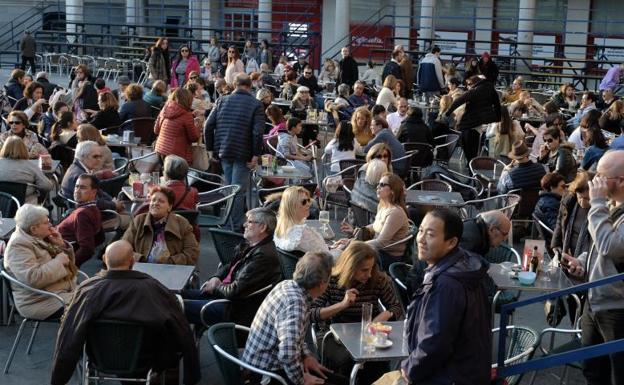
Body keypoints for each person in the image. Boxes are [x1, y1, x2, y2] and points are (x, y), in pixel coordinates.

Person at [50, 240, 200, 385]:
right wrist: (191, 374)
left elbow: (69, 334)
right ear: (132, 261)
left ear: (104, 259)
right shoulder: (154, 288)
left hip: (99, 358)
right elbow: (181, 329)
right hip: (145, 360)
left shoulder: (87, 290)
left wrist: (58, 379)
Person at [551, 151, 624, 384]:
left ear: (621, 180)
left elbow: (610, 246)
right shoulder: (612, 205)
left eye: (601, 176)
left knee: (619, 373)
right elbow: (596, 245)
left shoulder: (605, 205)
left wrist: (598, 202)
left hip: (617, 308)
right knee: (592, 370)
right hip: (594, 301)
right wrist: (582, 262)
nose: (595, 182)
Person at [400, 208, 491, 385]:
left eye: (431, 235)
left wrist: (410, 370)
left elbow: (435, 342)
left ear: (451, 243)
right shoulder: (463, 266)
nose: (421, 239)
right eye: (420, 231)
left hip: (449, 377)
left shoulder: (446, 284)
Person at [243, 251, 347, 385]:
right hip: (266, 374)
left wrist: (306, 356)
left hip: (266, 363)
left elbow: (293, 338)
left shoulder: (288, 285)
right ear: (322, 283)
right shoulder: (296, 303)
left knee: (341, 381)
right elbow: (287, 354)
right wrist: (302, 380)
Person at [311, 241, 402, 380]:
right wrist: (342, 305)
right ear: (350, 268)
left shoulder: (378, 279)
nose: (369, 274)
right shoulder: (332, 280)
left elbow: (396, 307)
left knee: (377, 363)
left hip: (370, 332)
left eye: (371, 268)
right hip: (339, 333)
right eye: (364, 270)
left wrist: (384, 315)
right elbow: (312, 313)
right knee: (347, 363)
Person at [182, 208, 281, 326]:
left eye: (249, 222)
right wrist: (216, 277)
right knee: (174, 296)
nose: (244, 225)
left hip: (232, 309)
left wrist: (215, 287)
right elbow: (230, 265)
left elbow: (234, 291)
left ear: (262, 227)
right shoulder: (252, 245)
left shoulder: (263, 256)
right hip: (223, 297)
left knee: (173, 306)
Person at [205, 73, 264, 232]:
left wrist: (210, 149)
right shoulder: (256, 104)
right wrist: (255, 155)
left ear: (234, 84)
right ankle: (234, 224)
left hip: (224, 150)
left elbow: (208, 126)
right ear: (250, 85)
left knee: (230, 187)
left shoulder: (222, 100)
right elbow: (257, 133)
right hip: (243, 151)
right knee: (237, 190)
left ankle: (228, 222)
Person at [3, 204, 77, 320]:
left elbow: (69, 264)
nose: (50, 225)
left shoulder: (38, 237)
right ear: (34, 229)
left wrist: (61, 245)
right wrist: (58, 261)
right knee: (94, 307)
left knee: (101, 299)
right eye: (46, 222)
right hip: (40, 301)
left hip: (59, 292)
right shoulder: (18, 246)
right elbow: (33, 278)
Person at [338, 173, 411, 269]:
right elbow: (375, 226)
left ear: (392, 191)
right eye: (378, 184)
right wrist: (355, 231)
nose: (378, 187)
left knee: (348, 256)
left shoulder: (395, 213)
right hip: (377, 249)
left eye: (382, 185)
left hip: (388, 256)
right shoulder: (383, 206)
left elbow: (381, 242)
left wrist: (354, 245)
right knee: (341, 248)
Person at [122, 186, 199, 265]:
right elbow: (123, 248)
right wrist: (141, 260)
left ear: (169, 207)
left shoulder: (182, 223)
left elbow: (192, 253)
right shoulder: (139, 221)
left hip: (172, 271)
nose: (155, 203)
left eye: (161, 201)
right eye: (153, 200)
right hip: (141, 269)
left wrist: (169, 262)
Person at [446, 75, 501, 163]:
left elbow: (458, 101)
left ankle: (471, 167)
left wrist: (447, 112)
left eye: (469, 84)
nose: (468, 86)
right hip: (481, 121)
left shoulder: (475, 90)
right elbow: (497, 104)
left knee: (469, 149)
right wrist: (498, 117)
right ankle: (471, 165)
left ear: (474, 83)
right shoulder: (491, 89)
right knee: (473, 149)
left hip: (470, 122)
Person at [56, 174, 104, 266]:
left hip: (57, 253)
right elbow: (100, 238)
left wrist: (70, 266)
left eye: (83, 188)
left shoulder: (82, 214)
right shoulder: (93, 208)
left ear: (94, 192)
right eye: (76, 187)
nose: (77, 191)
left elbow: (87, 249)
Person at [61, 141, 121, 212]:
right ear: (82, 157)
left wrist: (112, 200)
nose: (99, 160)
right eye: (95, 156)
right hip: (84, 215)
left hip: (86, 210)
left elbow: (98, 191)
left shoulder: (77, 168)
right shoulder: (79, 176)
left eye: (100, 156)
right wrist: (113, 205)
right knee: (129, 217)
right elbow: (93, 203)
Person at [274, 186, 329, 254]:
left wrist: (331, 247)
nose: (308, 204)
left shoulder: (281, 226)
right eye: (304, 202)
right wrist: (339, 249)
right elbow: (327, 255)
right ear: (292, 206)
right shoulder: (302, 233)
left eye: (308, 200)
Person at [154, 88, 200, 163]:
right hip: (176, 155)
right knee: (177, 174)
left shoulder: (165, 109)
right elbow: (194, 138)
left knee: (164, 174)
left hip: (160, 149)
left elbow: (156, 130)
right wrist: (198, 126)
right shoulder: (187, 116)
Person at [0, 136, 52, 203]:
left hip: (2, 206)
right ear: (23, 149)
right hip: (26, 206)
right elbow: (47, 186)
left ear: (4, 148)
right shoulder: (31, 166)